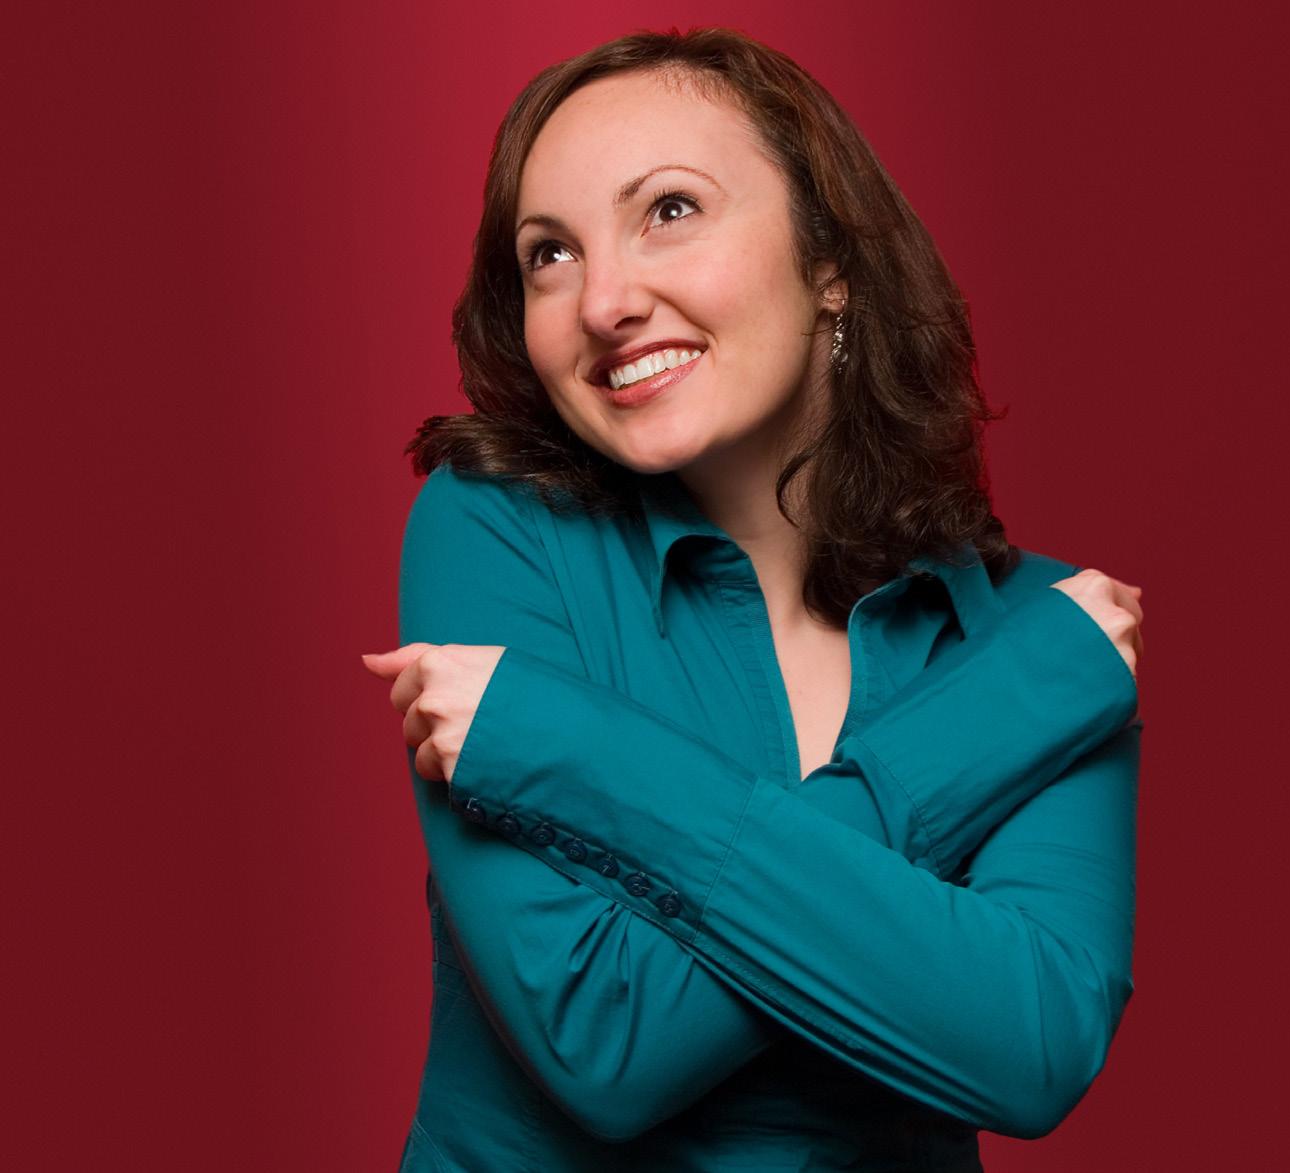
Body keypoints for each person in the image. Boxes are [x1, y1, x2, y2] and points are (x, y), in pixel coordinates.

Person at [361, 27, 1146, 1173]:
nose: (602, 301)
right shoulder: (493, 531)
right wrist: (983, 732)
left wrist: (568, 748)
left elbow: (1030, 1049)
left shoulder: (1024, 631)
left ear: (830, 261)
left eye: (669, 210)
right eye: (549, 255)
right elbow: (603, 1043)